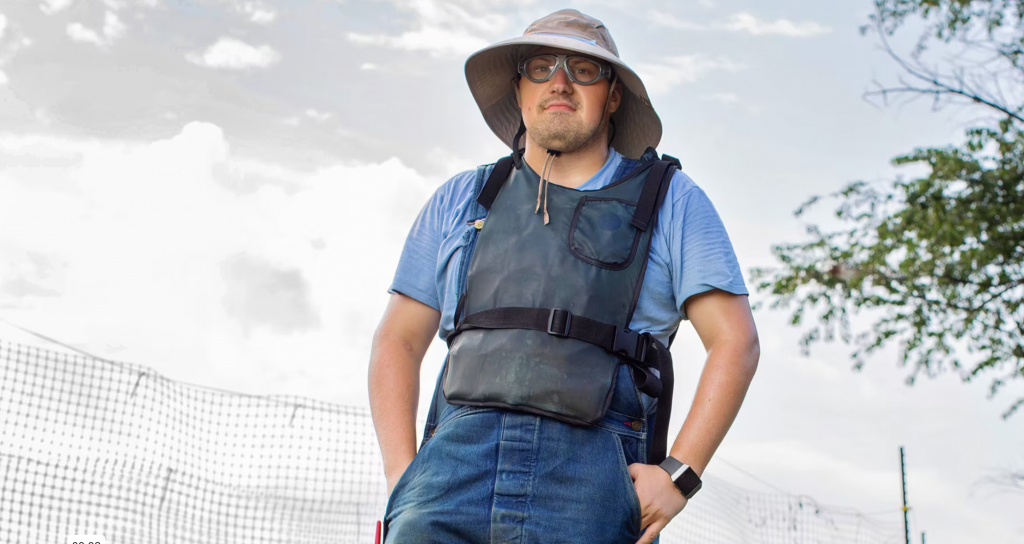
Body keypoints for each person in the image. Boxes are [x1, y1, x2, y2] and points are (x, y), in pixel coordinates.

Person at [368, 8, 759, 544]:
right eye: (541, 66)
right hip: (447, 481)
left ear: (613, 95)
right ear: (519, 88)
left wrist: (679, 474)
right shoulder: (462, 198)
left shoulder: (671, 201)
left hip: (589, 489)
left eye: (584, 69)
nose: (560, 82)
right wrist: (402, 478)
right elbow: (397, 339)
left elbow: (736, 341)